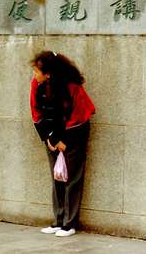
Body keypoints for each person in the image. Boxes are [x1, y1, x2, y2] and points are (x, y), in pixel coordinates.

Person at [30, 51, 95, 237]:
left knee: (72, 178)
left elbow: (80, 115)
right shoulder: (36, 84)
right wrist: (49, 138)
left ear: (48, 73)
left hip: (74, 135)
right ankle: (58, 220)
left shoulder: (71, 86)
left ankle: (70, 223)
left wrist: (64, 141)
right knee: (57, 177)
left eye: (37, 71)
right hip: (51, 136)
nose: (34, 74)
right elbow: (36, 111)